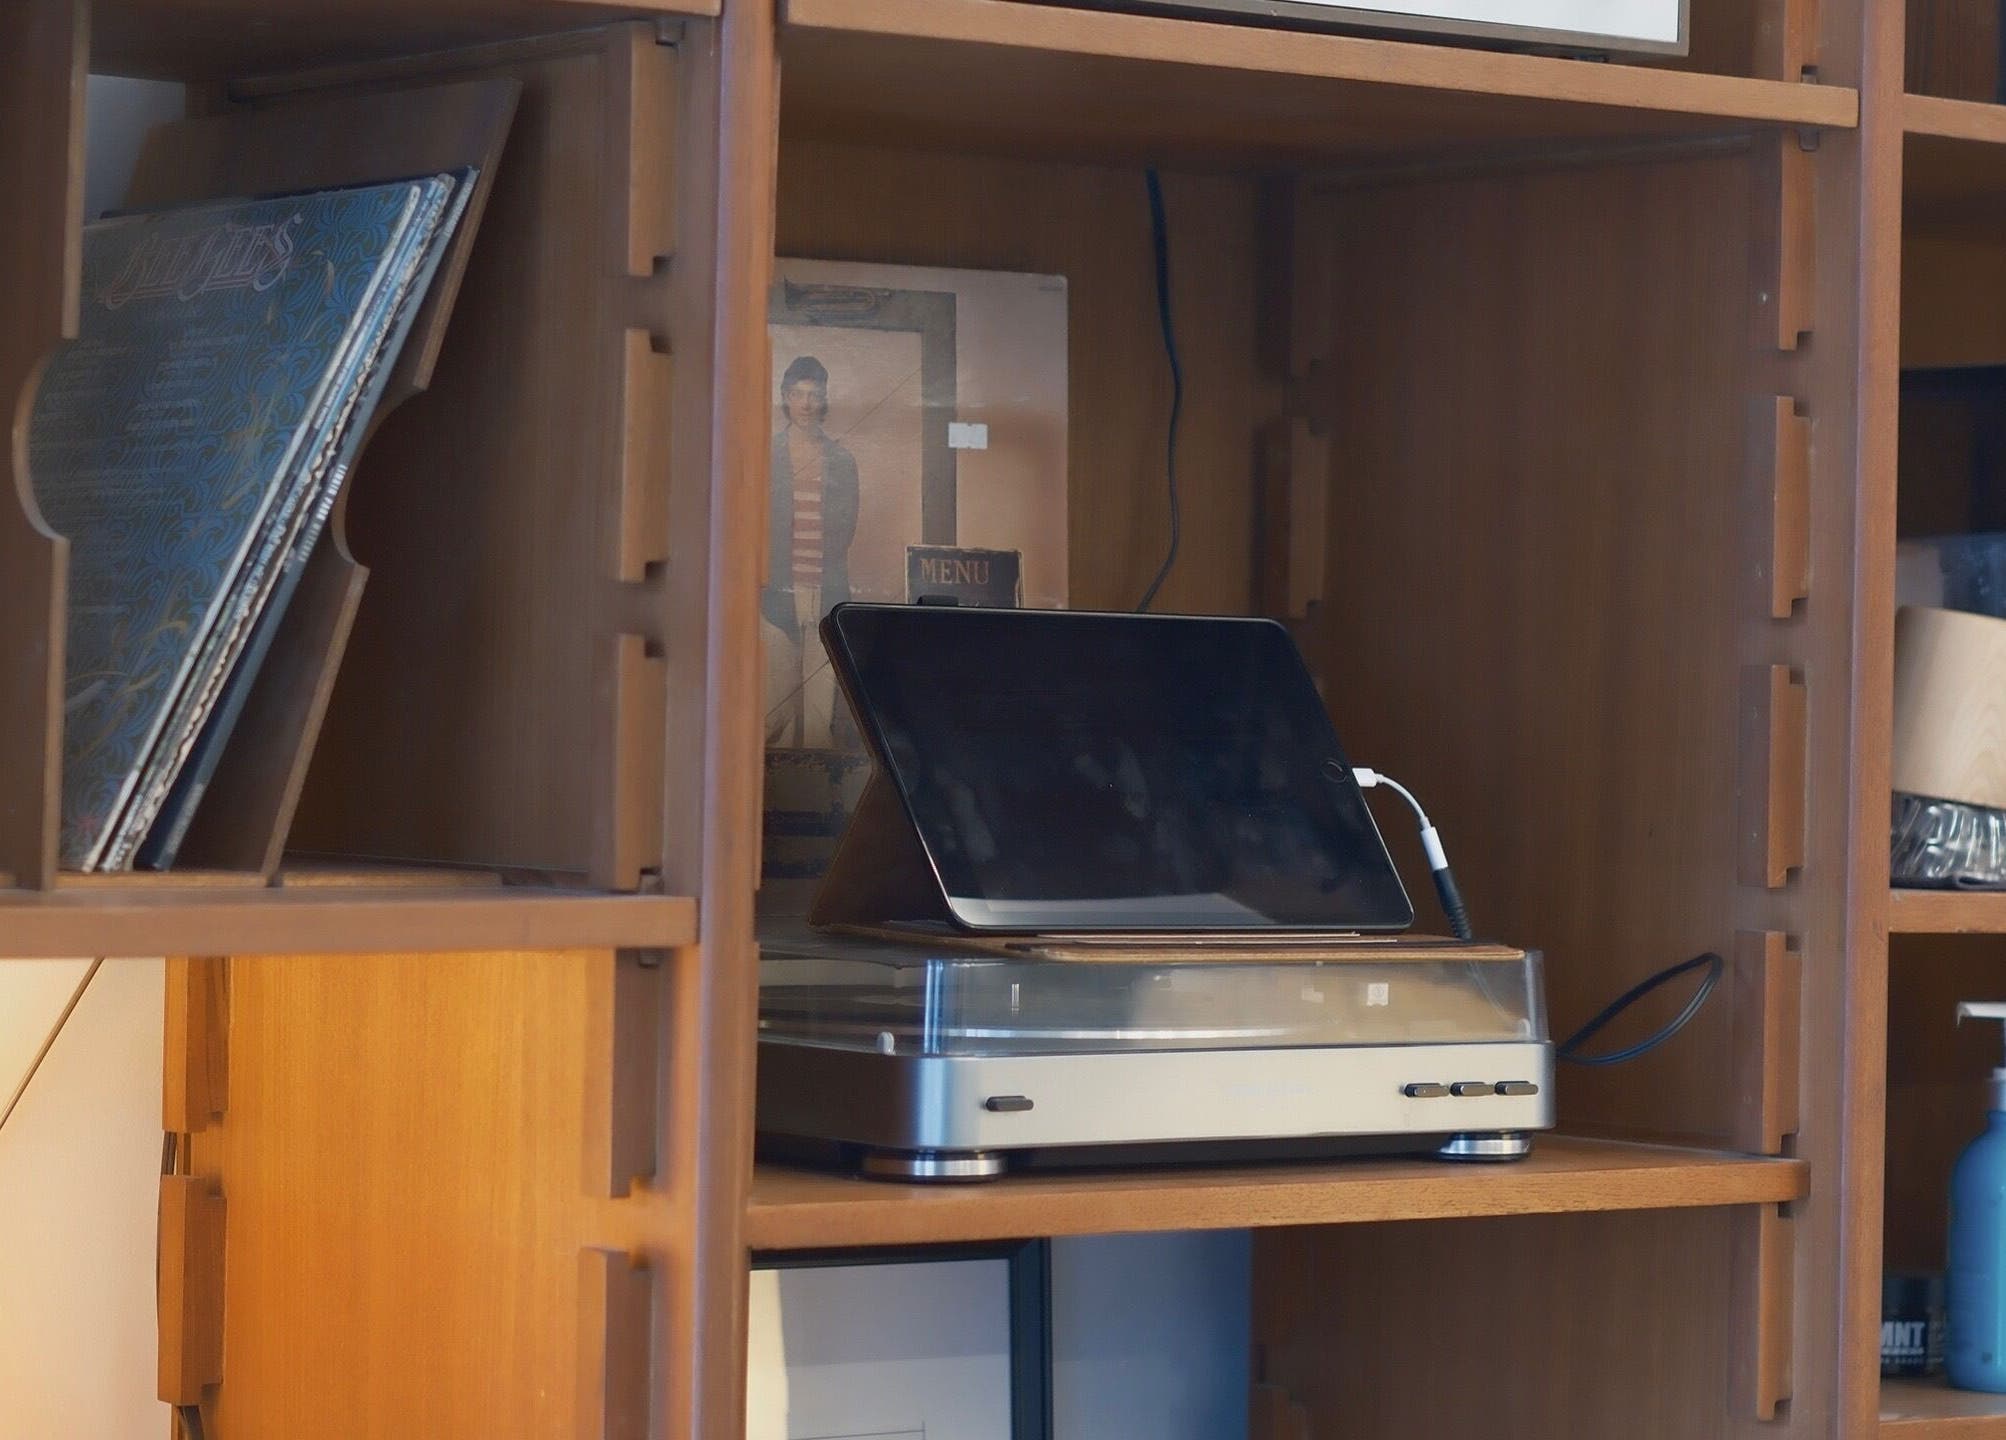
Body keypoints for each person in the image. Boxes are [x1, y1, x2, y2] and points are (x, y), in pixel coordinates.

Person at [764, 354, 860, 748]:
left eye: (814, 395)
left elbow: (845, 530)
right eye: (797, 394)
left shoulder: (841, 460)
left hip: (825, 590)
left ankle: (815, 782)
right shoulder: (765, 455)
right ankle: (775, 783)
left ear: (823, 400)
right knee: (777, 704)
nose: (805, 403)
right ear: (786, 398)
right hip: (775, 594)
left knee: (820, 705)